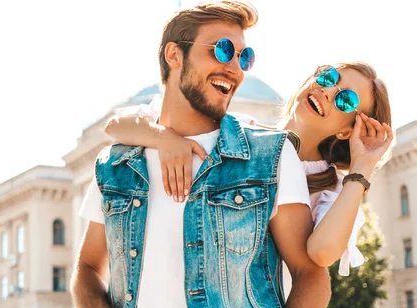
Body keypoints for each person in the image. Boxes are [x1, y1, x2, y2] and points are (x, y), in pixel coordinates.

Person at [59, 2, 330, 308]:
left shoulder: (269, 154)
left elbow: (311, 273)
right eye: (222, 50)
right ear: (174, 55)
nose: (235, 68)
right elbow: (87, 268)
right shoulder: (116, 164)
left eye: (244, 57)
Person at [105, 61, 394, 278]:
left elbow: (321, 253)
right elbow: (116, 125)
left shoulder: (334, 189)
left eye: (346, 99)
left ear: (348, 131)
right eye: (328, 77)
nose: (328, 91)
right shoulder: (239, 130)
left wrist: (363, 168)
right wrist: (164, 138)